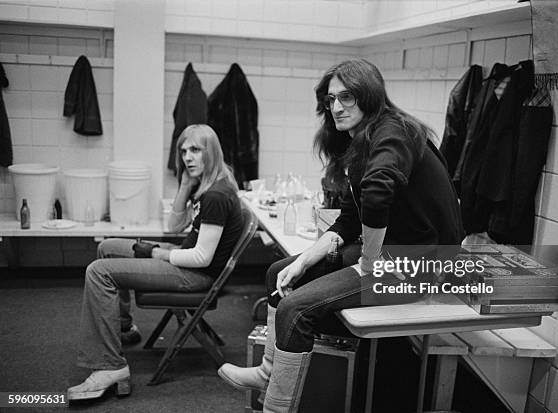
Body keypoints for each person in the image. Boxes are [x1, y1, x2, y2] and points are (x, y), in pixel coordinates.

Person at [218, 58, 464, 412]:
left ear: (369, 94)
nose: (335, 107)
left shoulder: (392, 130)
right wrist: (303, 261)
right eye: (331, 99)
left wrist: (368, 261)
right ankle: (268, 371)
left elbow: (378, 194)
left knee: (297, 308)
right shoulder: (363, 142)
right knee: (279, 275)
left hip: (423, 266)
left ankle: (275, 408)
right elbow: (349, 221)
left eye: (346, 97)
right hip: (396, 255)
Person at [67, 124, 243, 401]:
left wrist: (159, 254)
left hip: (195, 275)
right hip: (186, 263)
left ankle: (110, 366)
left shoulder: (216, 196)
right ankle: (122, 328)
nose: (187, 157)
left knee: (99, 272)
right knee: (107, 247)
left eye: (195, 150)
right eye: (184, 151)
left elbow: (201, 257)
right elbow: (174, 225)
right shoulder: (207, 187)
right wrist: (185, 185)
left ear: (212, 152)